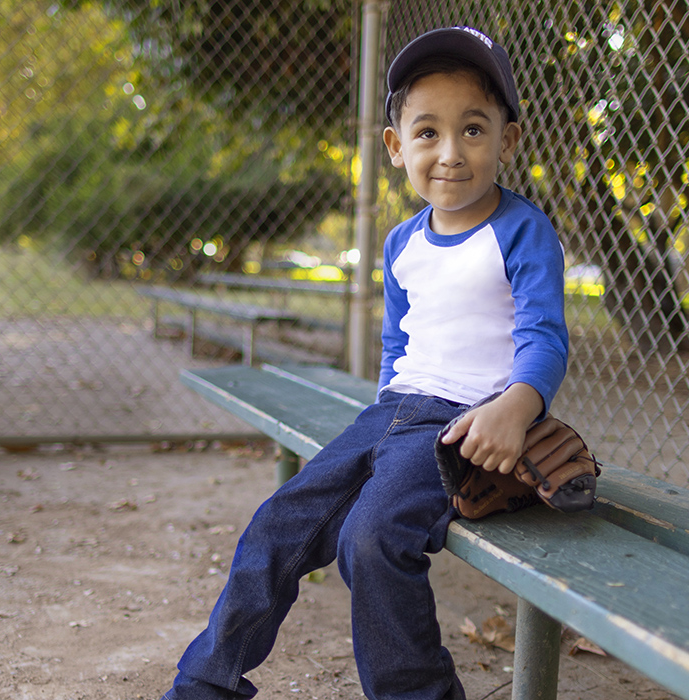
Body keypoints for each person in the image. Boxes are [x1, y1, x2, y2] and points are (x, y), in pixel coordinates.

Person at [161, 26, 569, 700]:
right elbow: (397, 344)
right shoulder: (402, 242)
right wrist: (383, 412)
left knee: (371, 541)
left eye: (473, 130)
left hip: (462, 425)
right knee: (278, 525)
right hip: (391, 412)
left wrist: (515, 408)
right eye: (427, 133)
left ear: (508, 139)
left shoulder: (521, 230)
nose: (450, 153)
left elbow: (545, 338)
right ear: (395, 146)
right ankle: (204, 683)